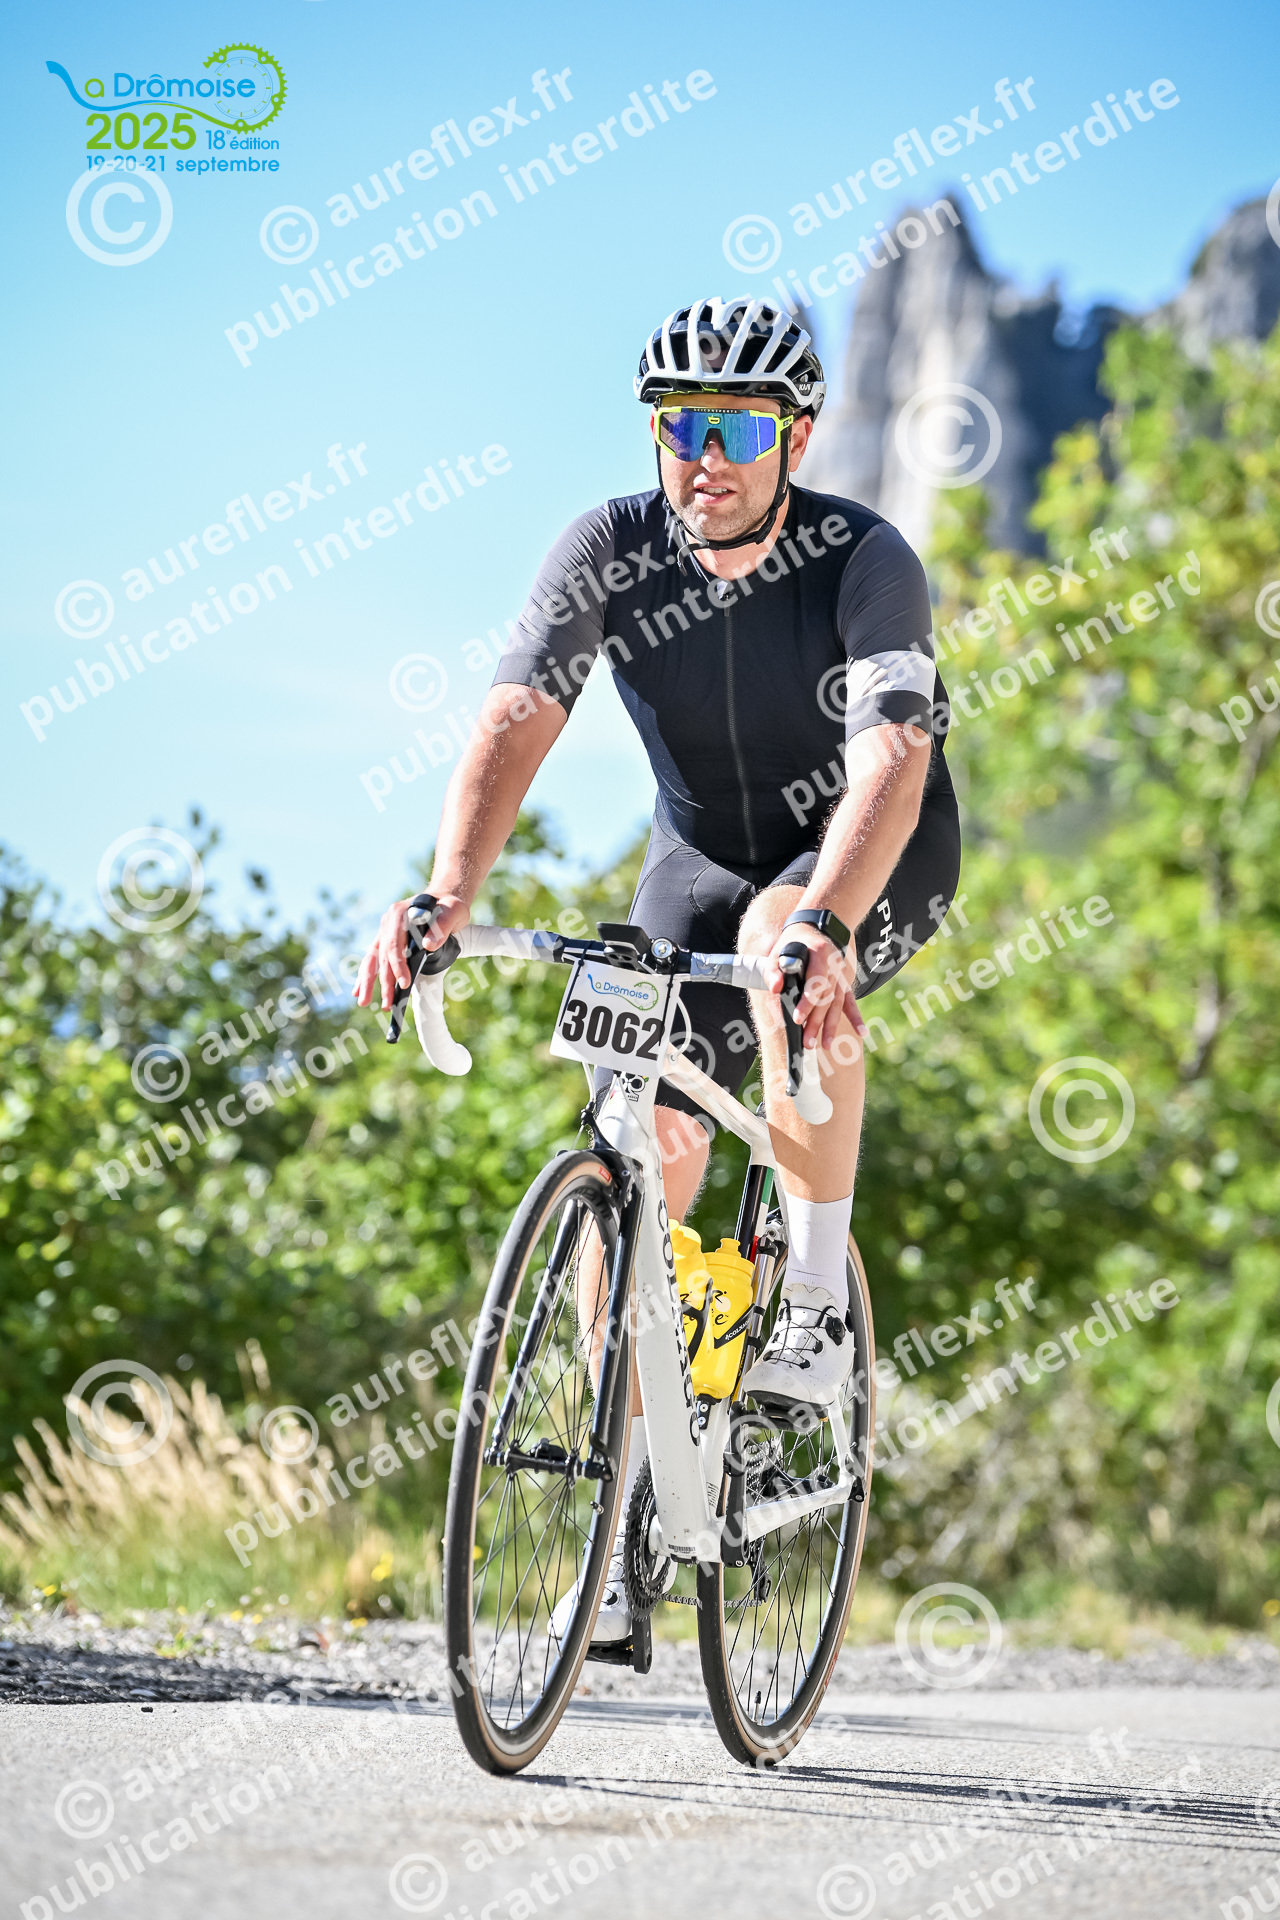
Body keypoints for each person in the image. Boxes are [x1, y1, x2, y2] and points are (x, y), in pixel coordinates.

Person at [355, 296, 961, 1644]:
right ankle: (627, 1495)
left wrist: (825, 923)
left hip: (866, 854)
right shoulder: (610, 546)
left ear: (797, 435)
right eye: (684, 426)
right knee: (639, 1137)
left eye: (740, 428)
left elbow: (893, 754)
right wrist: (446, 897)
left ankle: (812, 1302)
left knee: (776, 949)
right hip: (691, 863)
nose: (708, 457)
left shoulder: (865, 556)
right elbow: (517, 713)